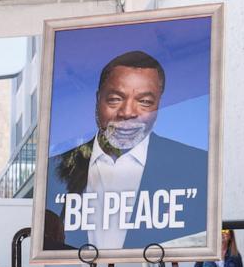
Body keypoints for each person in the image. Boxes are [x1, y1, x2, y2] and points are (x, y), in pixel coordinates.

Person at [45, 50, 207, 250]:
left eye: (145, 102)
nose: (128, 112)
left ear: (159, 105)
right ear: (97, 100)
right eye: (114, 99)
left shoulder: (197, 166)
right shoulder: (53, 172)